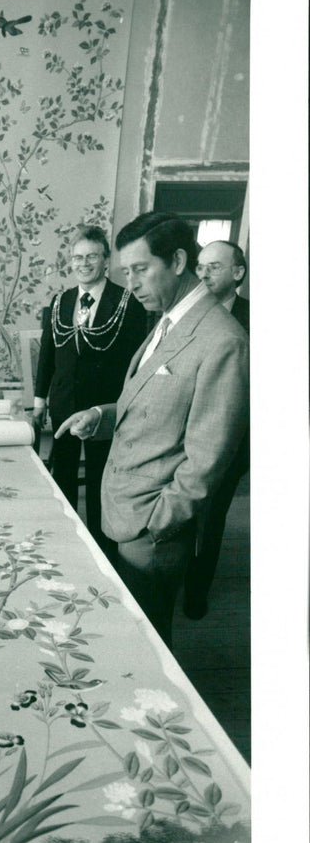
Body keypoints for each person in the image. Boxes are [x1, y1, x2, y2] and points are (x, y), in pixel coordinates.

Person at [54, 213, 249, 648]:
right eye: (127, 272)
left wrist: (156, 526)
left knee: (146, 646)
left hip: (152, 532)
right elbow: (150, 402)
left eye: (141, 269)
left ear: (178, 260)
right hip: (124, 512)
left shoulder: (223, 340)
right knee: (129, 633)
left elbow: (208, 460)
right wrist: (102, 417)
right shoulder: (167, 320)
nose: (133, 282)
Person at [32, 225, 147, 557]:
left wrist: (124, 408)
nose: (84, 263)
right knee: (63, 473)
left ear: (106, 260)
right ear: (71, 262)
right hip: (64, 404)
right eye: (78, 257)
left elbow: (135, 364)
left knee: (101, 479)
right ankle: (68, 540)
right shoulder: (60, 301)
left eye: (92, 256)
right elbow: (48, 355)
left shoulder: (128, 304)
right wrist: (41, 401)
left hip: (104, 408)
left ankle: (102, 550)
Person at [182, 240, 250, 618]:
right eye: (201, 266)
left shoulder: (254, 321)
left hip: (229, 444)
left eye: (214, 267)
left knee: (210, 521)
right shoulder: (189, 316)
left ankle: (196, 593)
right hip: (185, 437)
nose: (203, 274)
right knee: (183, 514)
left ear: (237, 273)